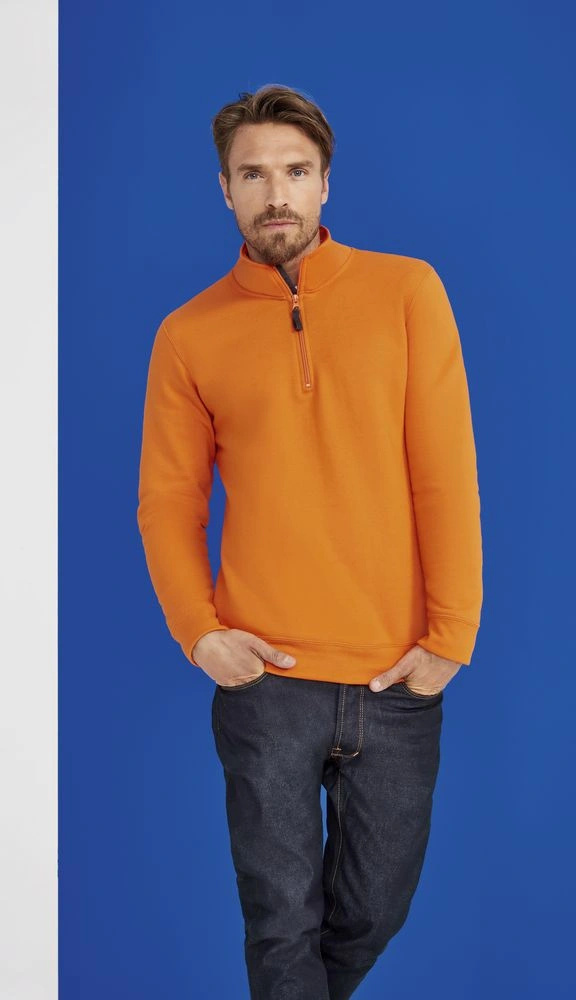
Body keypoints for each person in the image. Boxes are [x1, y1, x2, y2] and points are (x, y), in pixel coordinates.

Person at [137, 82, 483, 1000]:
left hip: (393, 678)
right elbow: (168, 502)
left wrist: (450, 638)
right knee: (279, 923)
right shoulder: (188, 335)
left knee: (373, 911)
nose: (275, 193)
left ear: (325, 182)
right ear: (224, 190)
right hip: (266, 682)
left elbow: (444, 472)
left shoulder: (406, 291)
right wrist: (199, 632)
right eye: (253, 174)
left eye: (294, 171)